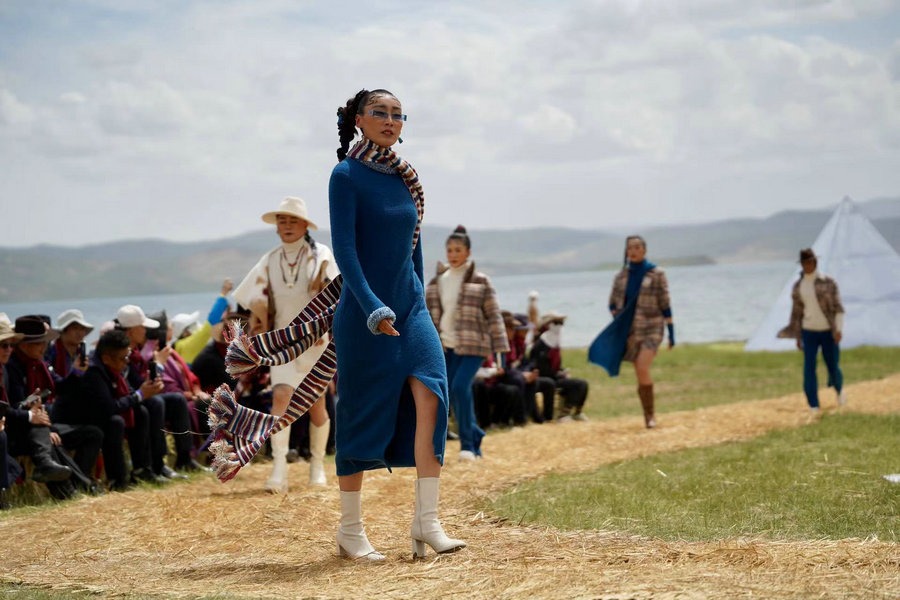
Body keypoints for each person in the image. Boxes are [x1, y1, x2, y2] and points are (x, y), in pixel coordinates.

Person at [206, 88, 465, 562]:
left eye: (397, 114)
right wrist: (372, 307)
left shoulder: (406, 177)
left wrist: (420, 302)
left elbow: (413, 247)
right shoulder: (345, 175)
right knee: (361, 413)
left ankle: (426, 522)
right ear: (359, 120)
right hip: (364, 315)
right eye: (380, 112)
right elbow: (345, 250)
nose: (390, 120)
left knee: (433, 397)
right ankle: (350, 530)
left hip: (411, 311)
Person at [233, 196, 339, 492]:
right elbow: (251, 299)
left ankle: (317, 465)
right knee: (281, 396)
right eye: (283, 221)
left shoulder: (321, 255)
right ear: (277, 226)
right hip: (280, 342)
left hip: (315, 341)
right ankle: (279, 469)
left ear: (305, 225)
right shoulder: (269, 259)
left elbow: (336, 291)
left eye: (293, 221)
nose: (288, 226)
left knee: (316, 404)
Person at [425, 225, 510, 461]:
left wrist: (501, 354)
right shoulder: (436, 282)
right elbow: (428, 315)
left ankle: (468, 445)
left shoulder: (481, 281)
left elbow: (494, 317)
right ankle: (475, 435)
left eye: (458, 250)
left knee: (460, 387)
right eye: (450, 250)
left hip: (474, 345)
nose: (453, 254)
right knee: (451, 393)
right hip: (446, 345)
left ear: (468, 252)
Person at [589, 235, 674, 428]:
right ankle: (648, 413)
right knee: (639, 371)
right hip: (631, 329)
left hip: (652, 326)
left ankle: (650, 417)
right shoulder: (620, 277)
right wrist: (618, 319)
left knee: (643, 366)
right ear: (626, 252)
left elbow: (665, 303)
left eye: (637, 247)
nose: (633, 251)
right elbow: (612, 303)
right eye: (630, 248)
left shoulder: (657, 273)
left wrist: (671, 332)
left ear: (644, 250)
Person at [81, 329, 167, 489]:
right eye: (123, 358)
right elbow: (110, 407)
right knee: (115, 422)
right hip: (83, 419)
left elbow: (128, 394)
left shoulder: (114, 368)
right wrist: (140, 395)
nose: (127, 361)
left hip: (102, 414)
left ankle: (142, 469)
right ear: (106, 358)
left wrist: (145, 389)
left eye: (127, 356)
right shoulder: (93, 372)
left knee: (140, 412)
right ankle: (118, 480)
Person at [777, 248, 846, 414]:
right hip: (809, 331)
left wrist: (838, 329)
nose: (807, 265)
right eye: (804, 263)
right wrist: (797, 336)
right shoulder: (798, 287)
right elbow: (797, 313)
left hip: (828, 331)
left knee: (832, 365)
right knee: (809, 368)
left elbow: (838, 307)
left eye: (809, 262)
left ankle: (839, 390)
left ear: (815, 262)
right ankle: (813, 404)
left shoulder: (828, 282)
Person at [530, 311, 590, 422]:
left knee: (583, 384)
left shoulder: (554, 342)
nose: (559, 326)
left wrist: (562, 371)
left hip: (555, 377)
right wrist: (558, 374)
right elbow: (540, 367)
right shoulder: (541, 344)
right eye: (556, 323)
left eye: (561, 323)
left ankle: (577, 412)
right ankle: (563, 415)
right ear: (547, 325)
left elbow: (555, 364)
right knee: (577, 384)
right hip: (546, 378)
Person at [170, 278, 234, 365]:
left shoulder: (179, 346)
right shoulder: (188, 345)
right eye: (192, 325)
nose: (196, 326)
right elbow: (211, 323)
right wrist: (223, 294)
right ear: (185, 333)